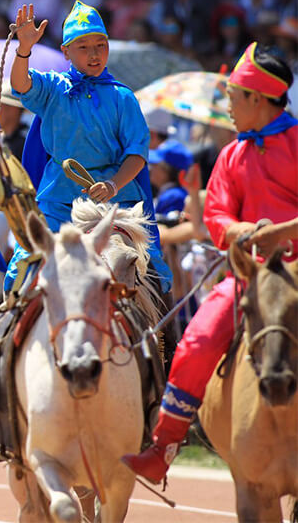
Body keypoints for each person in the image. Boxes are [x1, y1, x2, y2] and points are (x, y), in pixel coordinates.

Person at [123, 43, 298, 484]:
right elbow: (217, 217)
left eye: (234, 96)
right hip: (249, 273)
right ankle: (164, 447)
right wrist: (242, 233)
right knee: (197, 339)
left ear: (257, 99)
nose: (228, 106)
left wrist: (283, 231)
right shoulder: (230, 155)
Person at [3, 1, 171, 294]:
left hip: (117, 205)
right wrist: (24, 49)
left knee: (152, 276)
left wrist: (112, 184)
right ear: (66, 51)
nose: (94, 54)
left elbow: (137, 154)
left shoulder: (123, 97)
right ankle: (7, 336)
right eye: (83, 47)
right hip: (58, 202)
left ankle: (166, 340)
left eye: (100, 45)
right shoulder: (53, 88)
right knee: (23, 267)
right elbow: (21, 85)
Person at [148, 139, 193, 219]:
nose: (150, 168)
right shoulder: (169, 193)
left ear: (167, 170)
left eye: (155, 164)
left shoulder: (174, 196)